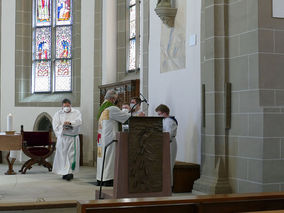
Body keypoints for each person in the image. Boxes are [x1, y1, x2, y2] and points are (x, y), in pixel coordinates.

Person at [96, 90, 131, 186]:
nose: (116, 101)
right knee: (109, 158)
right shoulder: (112, 108)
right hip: (109, 137)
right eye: (115, 99)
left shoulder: (102, 107)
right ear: (112, 98)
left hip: (101, 137)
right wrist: (130, 111)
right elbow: (126, 117)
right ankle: (108, 179)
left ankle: (101, 178)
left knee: (103, 158)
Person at [52, 99, 82, 181]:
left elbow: (79, 122)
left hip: (72, 137)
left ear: (70, 105)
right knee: (63, 156)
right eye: (65, 106)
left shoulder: (76, 112)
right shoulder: (58, 114)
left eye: (68, 106)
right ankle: (64, 172)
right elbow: (55, 125)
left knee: (71, 156)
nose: (66, 107)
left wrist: (70, 123)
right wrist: (63, 126)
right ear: (62, 106)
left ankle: (69, 172)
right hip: (63, 138)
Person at [155, 104, 178, 186]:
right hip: (164, 143)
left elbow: (168, 134)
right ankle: (164, 185)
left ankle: (168, 185)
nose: (158, 116)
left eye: (159, 114)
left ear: (165, 113)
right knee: (164, 165)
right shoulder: (165, 120)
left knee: (168, 164)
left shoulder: (170, 121)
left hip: (170, 143)